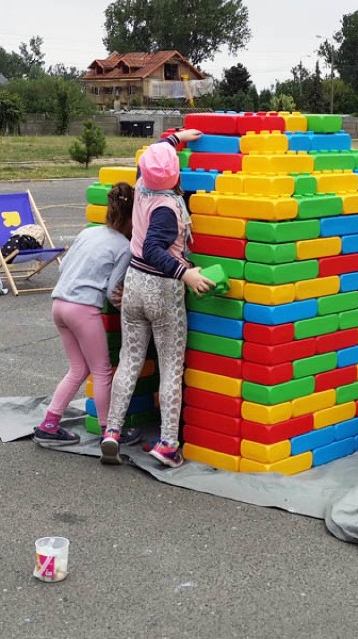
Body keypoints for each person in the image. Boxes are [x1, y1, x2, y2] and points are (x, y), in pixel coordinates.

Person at [101, 130, 215, 467]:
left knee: (130, 359)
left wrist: (178, 136)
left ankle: (112, 431)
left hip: (134, 284)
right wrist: (186, 273)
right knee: (170, 368)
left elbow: (159, 149)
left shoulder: (141, 181)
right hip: (163, 289)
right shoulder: (167, 206)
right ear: (176, 175)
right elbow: (153, 249)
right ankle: (168, 443)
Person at [33, 182, 141, 447]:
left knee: (78, 368)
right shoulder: (124, 247)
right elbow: (111, 289)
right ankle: (109, 432)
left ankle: (49, 424)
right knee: (102, 372)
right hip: (83, 310)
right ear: (131, 220)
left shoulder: (88, 233)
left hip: (59, 304)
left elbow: (63, 269)